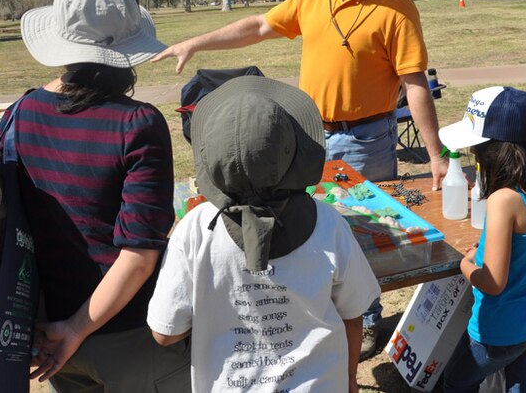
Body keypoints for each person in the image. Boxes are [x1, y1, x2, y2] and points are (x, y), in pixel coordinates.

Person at [153, 0, 447, 358]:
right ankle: (311, 309)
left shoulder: (397, 8)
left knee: (362, 234)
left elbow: (414, 86)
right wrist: (196, 42)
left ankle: (363, 319)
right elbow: (258, 25)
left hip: (367, 139)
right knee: (306, 226)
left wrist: (434, 154)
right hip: (305, 136)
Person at [0, 0, 190, 391]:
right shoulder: (138, 124)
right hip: (128, 335)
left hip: (48, 335)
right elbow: (139, 256)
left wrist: (63, 330)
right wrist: (76, 328)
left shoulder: (18, 114)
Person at [146, 76, 380, 393]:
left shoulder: (195, 229)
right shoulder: (328, 222)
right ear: (294, 150)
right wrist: (349, 378)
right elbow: (354, 313)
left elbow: (165, 332)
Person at [437, 86, 526, 393]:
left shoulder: (503, 200)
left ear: (494, 150)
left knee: (456, 383)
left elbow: (493, 283)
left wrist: (467, 264)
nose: (474, 155)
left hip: (500, 329)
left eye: (477, 149)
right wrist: (520, 256)